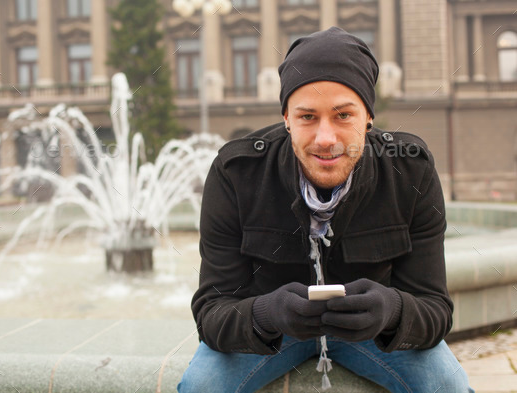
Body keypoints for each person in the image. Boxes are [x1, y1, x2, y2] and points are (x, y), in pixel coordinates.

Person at [178, 27, 473, 393]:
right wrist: (267, 313)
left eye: (343, 115)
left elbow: (436, 310)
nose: (325, 138)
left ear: (368, 116)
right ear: (286, 117)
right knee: (201, 384)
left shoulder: (410, 171)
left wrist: (392, 310)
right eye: (307, 117)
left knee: (447, 384)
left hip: (374, 335)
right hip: (271, 334)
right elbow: (211, 314)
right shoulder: (236, 173)